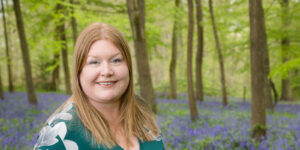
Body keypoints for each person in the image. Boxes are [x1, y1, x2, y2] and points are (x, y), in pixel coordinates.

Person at [34, 23, 164, 150]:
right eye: (94, 62)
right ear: (79, 71)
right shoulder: (60, 135)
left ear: (128, 67)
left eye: (116, 60)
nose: (107, 71)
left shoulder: (143, 119)